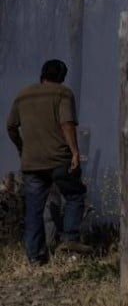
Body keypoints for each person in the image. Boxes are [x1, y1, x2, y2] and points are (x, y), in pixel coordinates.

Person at [5, 59, 90, 264]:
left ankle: (35, 256)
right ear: (61, 77)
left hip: (31, 164)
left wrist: (21, 148)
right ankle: (69, 240)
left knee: (34, 209)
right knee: (75, 195)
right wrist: (75, 151)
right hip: (59, 160)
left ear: (42, 74)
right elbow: (67, 123)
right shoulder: (63, 93)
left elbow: (11, 126)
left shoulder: (23, 94)